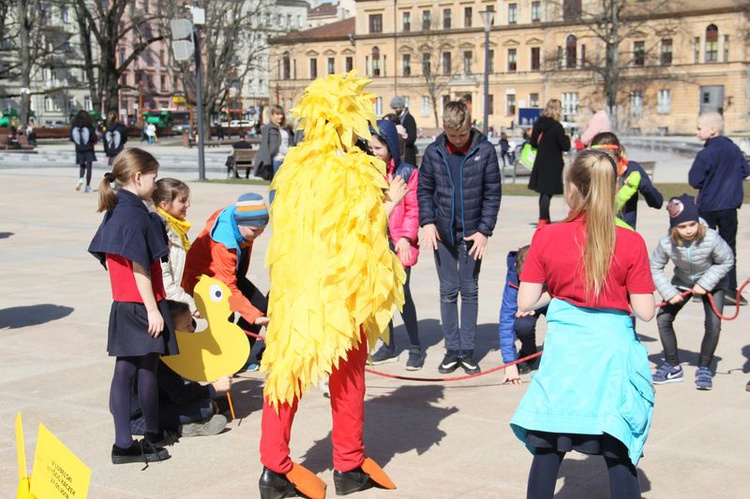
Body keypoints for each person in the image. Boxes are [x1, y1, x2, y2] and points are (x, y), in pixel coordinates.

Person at [258, 72, 405, 499]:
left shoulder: (291, 169)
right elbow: (365, 237)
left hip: (296, 290)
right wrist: (390, 204)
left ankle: (274, 467)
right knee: (348, 377)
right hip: (341, 294)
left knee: (285, 375)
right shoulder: (357, 171)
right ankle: (347, 463)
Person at [510, 150, 656, 499]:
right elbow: (646, 311)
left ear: (571, 189)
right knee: (617, 450)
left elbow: (525, 301)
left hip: (566, 356)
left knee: (548, 444)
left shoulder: (546, 237)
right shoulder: (632, 241)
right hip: (611, 357)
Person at [88, 147, 178, 465]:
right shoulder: (135, 214)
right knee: (145, 370)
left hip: (124, 303)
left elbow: (108, 255)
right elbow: (140, 265)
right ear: (138, 177)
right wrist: (152, 309)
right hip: (141, 305)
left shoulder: (115, 208)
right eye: (153, 178)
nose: (155, 185)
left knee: (126, 372)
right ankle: (144, 437)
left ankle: (127, 441)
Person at [418, 100, 502, 375]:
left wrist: (484, 231)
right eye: (452, 136)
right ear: (444, 129)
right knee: (447, 289)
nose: (457, 140)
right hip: (442, 232)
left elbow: (492, 193)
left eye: (462, 135)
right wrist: (428, 223)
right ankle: (452, 349)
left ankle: (467, 350)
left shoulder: (485, 151)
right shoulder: (433, 152)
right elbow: (425, 190)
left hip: (472, 233)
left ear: (471, 126)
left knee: (469, 289)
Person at [650, 194, 734, 390]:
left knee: (713, 323)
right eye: (682, 226)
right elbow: (654, 266)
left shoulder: (711, 237)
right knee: (663, 318)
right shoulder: (667, 243)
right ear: (674, 227)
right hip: (683, 282)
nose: (688, 230)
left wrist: (705, 283)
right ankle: (672, 365)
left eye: (691, 225)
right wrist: (669, 292)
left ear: (697, 222)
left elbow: (727, 260)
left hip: (715, 283)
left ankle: (704, 367)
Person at [181, 192, 270, 371]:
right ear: (240, 223)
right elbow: (227, 287)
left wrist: (253, 313)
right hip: (206, 281)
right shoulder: (223, 243)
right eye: (255, 230)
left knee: (259, 304)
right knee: (226, 317)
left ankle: (239, 355)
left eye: (262, 230)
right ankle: (225, 360)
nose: (258, 235)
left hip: (227, 276)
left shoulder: (240, 219)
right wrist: (253, 316)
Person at [368, 119, 423, 370]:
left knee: (402, 295)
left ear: (390, 146)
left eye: (378, 148)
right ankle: (389, 345)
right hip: (376, 242)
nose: (374, 153)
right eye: (370, 148)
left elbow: (413, 209)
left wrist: (406, 238)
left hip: (400, 242)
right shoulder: (367, 173)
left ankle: (415, 347)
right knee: (380, 296)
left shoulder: (407, 172)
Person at [130, 300, 230, 439]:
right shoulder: (162, 359)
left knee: (219, 402)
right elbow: (180, 395)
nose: (191, 330)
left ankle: (184, 424)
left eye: (192, 324)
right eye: (187, 326)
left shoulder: (164, 348)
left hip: (161, 403)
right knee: (209, 407)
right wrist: (213, 388)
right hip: (140, 419)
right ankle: (181, 428)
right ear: (172, 332)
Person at [688, 111, 750, 306]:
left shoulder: (706, 153)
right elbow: (746, 170)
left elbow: (694, 180)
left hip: (708, 206)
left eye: (699, 128)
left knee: (704, 247)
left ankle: (704, 287)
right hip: (730, 205)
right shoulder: (733, 149)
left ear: (712, 130)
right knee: (728, 246)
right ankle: (730, 289)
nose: (696, 132)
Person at [589, 132, 663, 229]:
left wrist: (643, 184)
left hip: (626, 234)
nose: (604, 161)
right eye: (598, 156)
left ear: (618, 153)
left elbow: (657, 202)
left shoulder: (631, 170)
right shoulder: (589, 172)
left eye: (607, 155)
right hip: (597, 231)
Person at [498, 245, 547, 385]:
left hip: (551, 301)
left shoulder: (552, 267)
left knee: (561, 323)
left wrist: (538, 303)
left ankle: (553, 355)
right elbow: (506, 320)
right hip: (526, 305)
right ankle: (528, 354)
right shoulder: (514, 280)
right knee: (522, 324)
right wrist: (509, 362)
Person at [152, 178, 195, 311]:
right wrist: (191, 305)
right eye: (182, 201)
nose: (188, 205)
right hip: (167, 303)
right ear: (164, 205)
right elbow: (164, 278)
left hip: (177, 300)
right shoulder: (160, 230)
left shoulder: (177, 227)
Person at [528, 99, 571, 226]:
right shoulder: (557, 127)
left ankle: (544, 218)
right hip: (553, 163)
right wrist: (567, 137)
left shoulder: (539, 124)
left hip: (541, 162)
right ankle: (543, 219)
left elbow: (533, 143)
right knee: (548, 192)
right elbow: (565, 146)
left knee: (544, 192)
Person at [253, 105, 295, 181]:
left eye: (281, 114)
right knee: (275, 185)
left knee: (286, 186)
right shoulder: (269, 128)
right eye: (277, 114)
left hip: (287, 160)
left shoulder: (287, 128)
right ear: (272, 115)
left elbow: (292, 142)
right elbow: (265, 145)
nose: (280, 116)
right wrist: (267, 162)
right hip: (276, 160)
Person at [70, 109, 98, 193]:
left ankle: (80, 178)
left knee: (82, 166)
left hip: (79, 149)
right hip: (88, 148)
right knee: (89, 167)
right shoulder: (89, 127)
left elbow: (72, 138)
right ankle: (88, 186)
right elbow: (94, 138)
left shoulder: (74, 128)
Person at [390, 96, 418, 165]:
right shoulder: (399, 118)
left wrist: (400, 140)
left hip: (407, 154)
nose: (395, 110)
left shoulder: (409, 118)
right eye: (394, 108)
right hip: (402, 153)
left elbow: (412, 138)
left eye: (396, 108)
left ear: (402, 106)